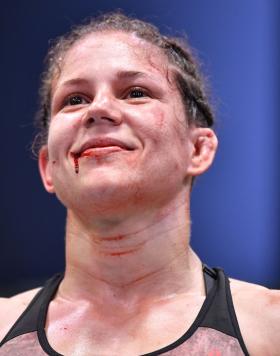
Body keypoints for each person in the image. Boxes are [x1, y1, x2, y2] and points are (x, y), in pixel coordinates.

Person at [0, 11, 279, 356]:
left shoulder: (271, 326)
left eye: (135, 92)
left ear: (197, 149)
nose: (98, 109)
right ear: (48, 167)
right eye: (75, 99)